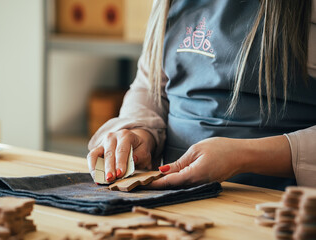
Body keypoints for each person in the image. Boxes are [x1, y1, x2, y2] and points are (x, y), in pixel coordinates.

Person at [87, 0, 316, 190]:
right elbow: (151, 86)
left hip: (281, 203)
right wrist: (141, 132)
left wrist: (242, 156)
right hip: (176, 197)